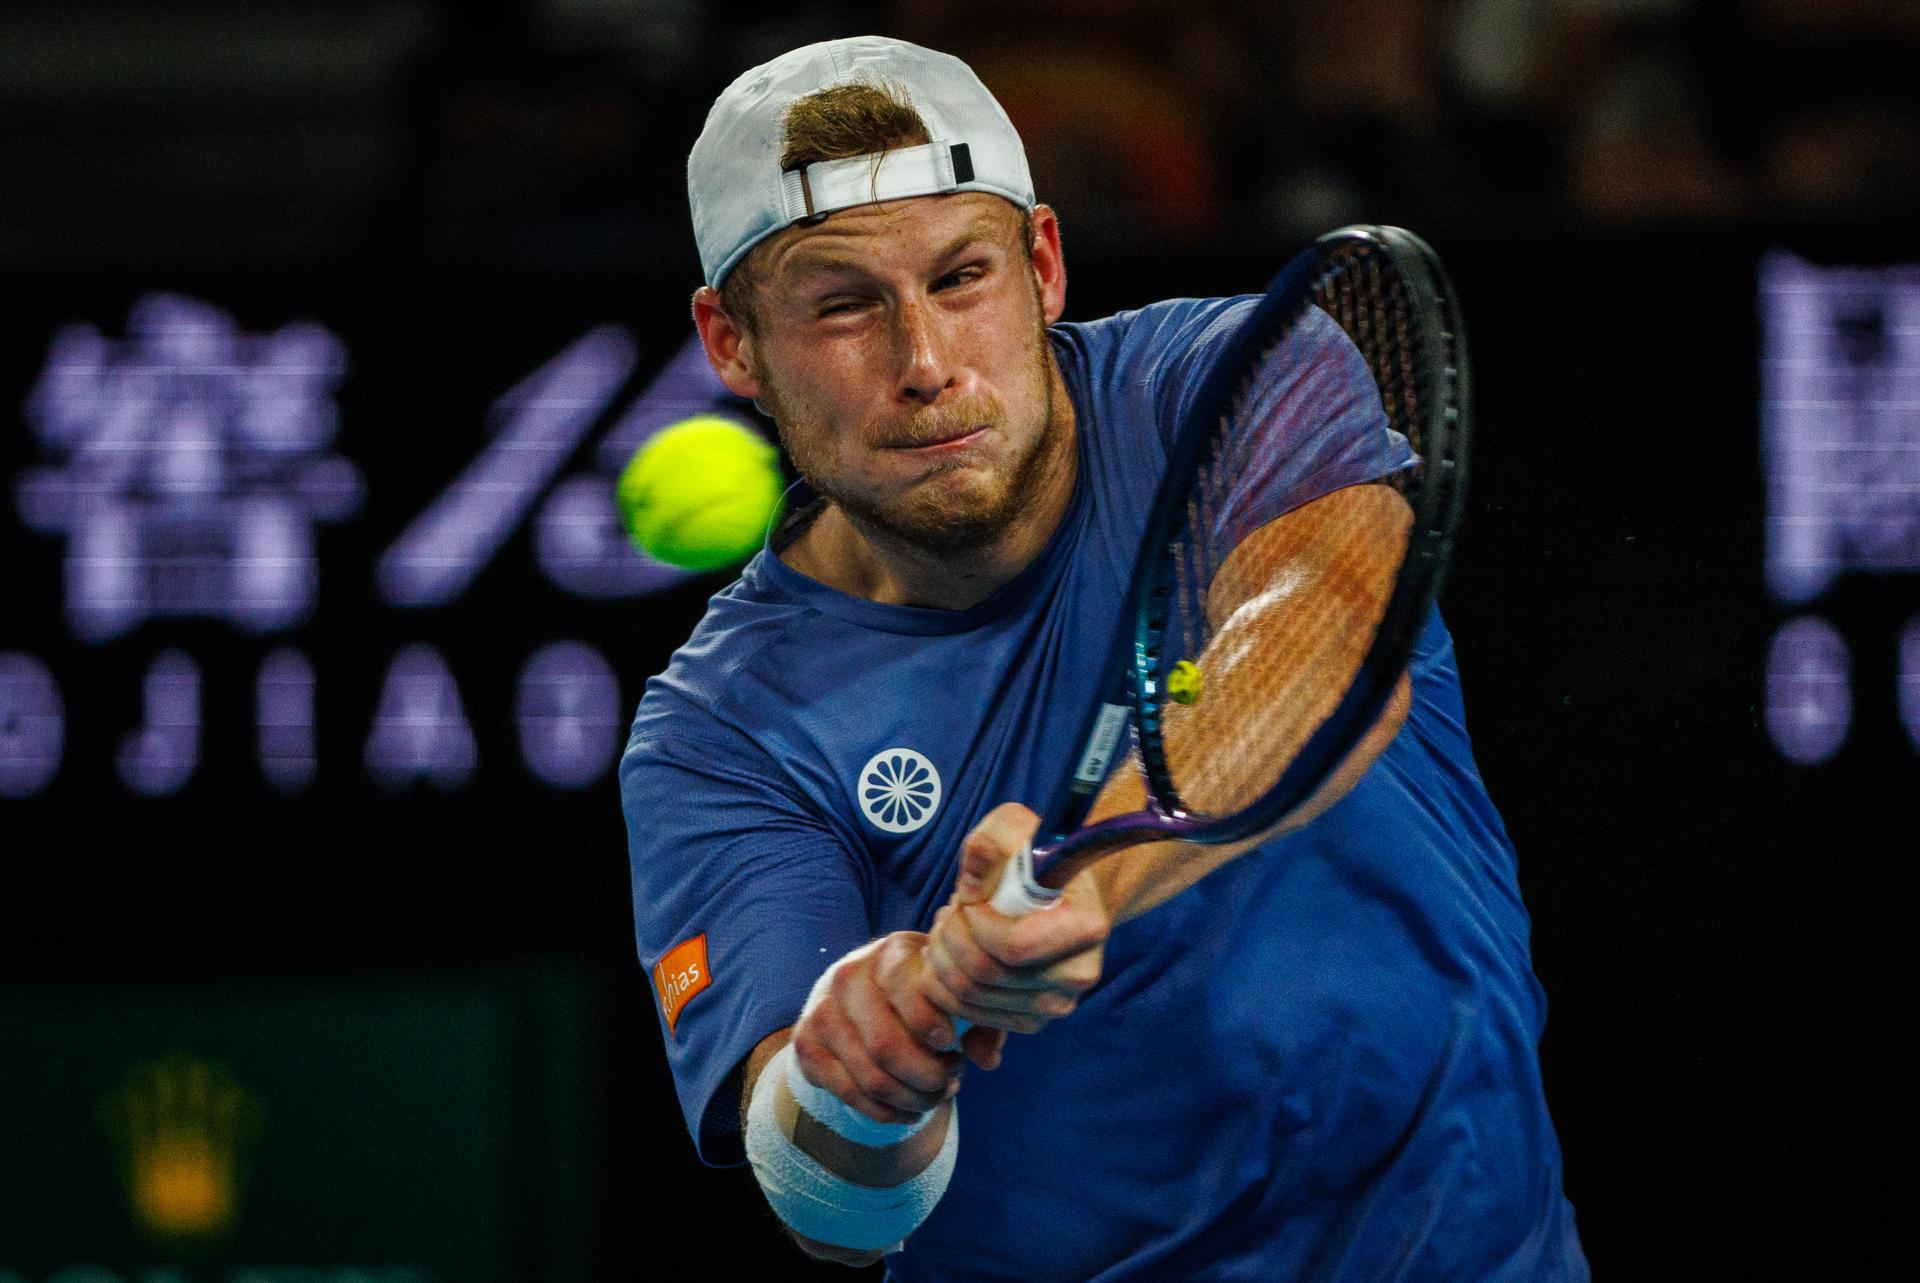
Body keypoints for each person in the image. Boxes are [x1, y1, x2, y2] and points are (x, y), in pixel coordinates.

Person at [622, 34, 1587, 1281]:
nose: (924, 363)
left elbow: (1326, 649)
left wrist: (1086, 876)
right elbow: (832, 1212)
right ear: (732, 342)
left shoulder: (1236, 378)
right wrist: (864, 1074)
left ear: (1044, 264)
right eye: (844, 305)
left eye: (961, 276)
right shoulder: (719, 732)